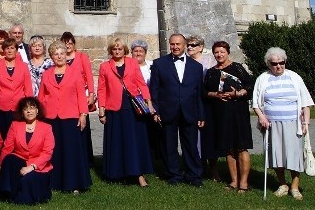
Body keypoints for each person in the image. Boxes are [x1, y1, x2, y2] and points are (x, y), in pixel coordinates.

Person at [252, 47, 314, 201]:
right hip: (272, 124)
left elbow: (305, 102)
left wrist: (305, 122)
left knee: (294, 155)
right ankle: (282, 184)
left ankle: (294, 186)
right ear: (268, 64)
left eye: (281, 62)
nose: (278, 66)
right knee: (276, 155)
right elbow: (255, 104)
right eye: (274, 63)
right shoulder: (262, 78)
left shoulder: (294, 77)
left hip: (293, 123)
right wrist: (261, 117)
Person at [149, 33, 206, 186]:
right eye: (172, 44)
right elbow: (154, 90)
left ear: (184, 45)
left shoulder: (197, 67)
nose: (175, 47)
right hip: (168, 111)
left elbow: (199, 94)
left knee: (191, 145)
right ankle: (174, 175)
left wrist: (201, 114)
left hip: (190, 111)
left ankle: (194, 176)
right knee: (169, 145)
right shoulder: (159, 64)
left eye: (178, 44)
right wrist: (156, 111)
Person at [97, 37, 154, 187]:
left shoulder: (132, 63)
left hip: (133, 107)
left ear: (124, 50)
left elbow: (141, 83)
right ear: (111, 50)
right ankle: (118, 173)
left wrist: (149, 102)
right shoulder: (104, 66)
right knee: (118, 141)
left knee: (134, 141)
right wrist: (101, 111)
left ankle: (139, 174)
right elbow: (102, 89)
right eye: (114, 49)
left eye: (120, 49)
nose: (117, 51)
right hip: (114, 108)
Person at [37, 40, 90, 193]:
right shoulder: (46, 74)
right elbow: (41, 96)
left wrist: (83, 114)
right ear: (51, 57)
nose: (59, 57)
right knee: (54, 150)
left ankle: (74, 183)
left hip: (71, 116)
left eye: (62, 53)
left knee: (72, 151)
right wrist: (40, 117)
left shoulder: (75, 73)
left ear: (66, 55)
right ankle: (55, 182)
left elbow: (81, 95)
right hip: (51, 117)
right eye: (56, 54)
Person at [204, 40, 253, 193]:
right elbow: (204, 92)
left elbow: (250, 85)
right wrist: (215, 95)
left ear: (228, 52)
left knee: (241, 146)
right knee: (228, 148)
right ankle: (233, 181)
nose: (219, 55)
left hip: (238, 111)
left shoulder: (237, 68)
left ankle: (244, 184)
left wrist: (237, 93)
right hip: (221, 112)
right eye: (216, 52)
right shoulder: (211, 72)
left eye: (222, 52)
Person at [0, 97, 54, 204]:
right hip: (21, 161)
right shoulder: (15, 125)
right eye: (26, 108)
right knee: (9, 158)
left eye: (32, 108)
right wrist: (0, 169)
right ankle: (7, 193)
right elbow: (6, 149)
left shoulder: (47, 128)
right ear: (22, 112)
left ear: (37, 111)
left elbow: (47, 153)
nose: (29, 111)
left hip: (38, 166)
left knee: (28, 180)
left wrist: (31, 167)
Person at [188, 34, 220, 180]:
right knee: (194, 137)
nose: (189, 47)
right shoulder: (185, 62)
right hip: (192, 103)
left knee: (210, 136)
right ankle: (198, 166)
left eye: (193, 45)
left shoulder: (210, 62)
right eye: (188, 45)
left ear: (201, 47)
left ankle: (213, 168)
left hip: (209, 102)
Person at [61, 32, 96, 164]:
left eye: (70, 43)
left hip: (82, 96)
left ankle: (86, 158)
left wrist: (91, 95)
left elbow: (89, 76)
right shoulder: (60, 58)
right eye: (65, 43)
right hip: (67, 98)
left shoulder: (82, 57)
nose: (68, 45)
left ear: (74, 44)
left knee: (83, 127)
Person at [0, 39, 33, 139]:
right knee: (2, 136)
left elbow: (28, 88)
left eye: (12, 48)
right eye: (7, 48)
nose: (9, 50)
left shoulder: (24, 66)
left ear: (16, 51)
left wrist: (30, 108)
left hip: (18, 108)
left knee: (17, 136)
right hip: (0, 108)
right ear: (3, 50)